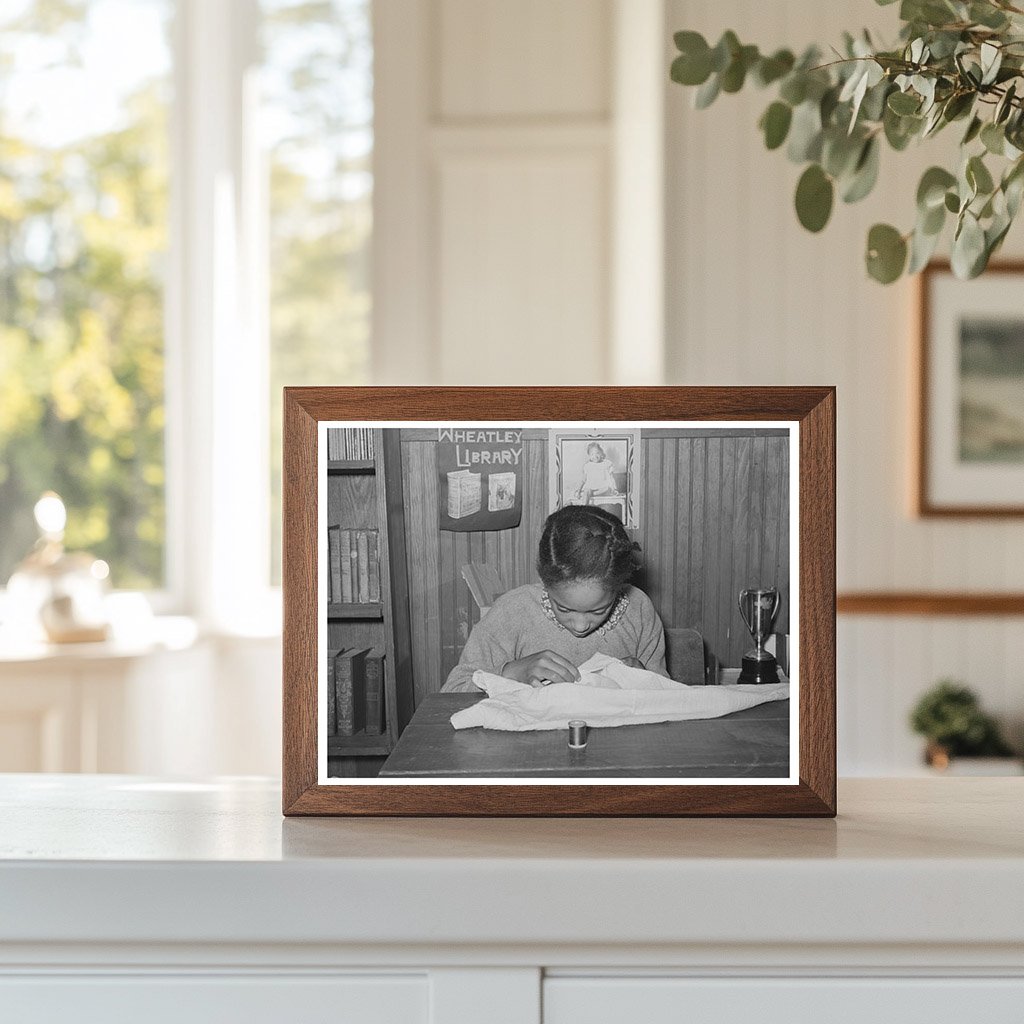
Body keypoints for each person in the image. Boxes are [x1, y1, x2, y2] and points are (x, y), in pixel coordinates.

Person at [442, 505, 667, 692]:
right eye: (564, 609)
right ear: (546, 583)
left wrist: (643, 678)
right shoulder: (512, 612)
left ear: (618, 590)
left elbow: (667, 700)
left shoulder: (637, 609)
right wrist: (510, 672)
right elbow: (453, 691)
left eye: (598, 611)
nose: (581, 625)